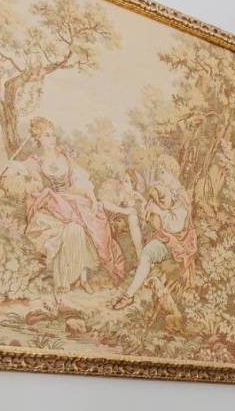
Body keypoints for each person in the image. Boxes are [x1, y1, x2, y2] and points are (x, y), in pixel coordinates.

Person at [13, 117, 124, 298]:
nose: (52, 139)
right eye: (47, 135)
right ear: (38, 138)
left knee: (85, 227)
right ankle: (66, 281)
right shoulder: (35, 161)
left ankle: (83, 279)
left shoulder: (64, 157)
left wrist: (91, 198)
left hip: (71, 201)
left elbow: (79, 180)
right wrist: (6, 171)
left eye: (53, 135)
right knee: (73, 229)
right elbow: (16, 169)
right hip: (52, 207)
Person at [116, 155, 196, 307]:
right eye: (160, 172)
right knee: (143, 243)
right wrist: (144, 202)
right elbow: (155, 218)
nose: (160, 176)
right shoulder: (166, 190)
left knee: (146, 252)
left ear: (172, 172)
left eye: (163, 172)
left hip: (178, 241)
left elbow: (176, 226)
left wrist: (158, 211)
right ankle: (133, 287)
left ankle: (128, 296)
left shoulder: (181, 196)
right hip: (165, 236)